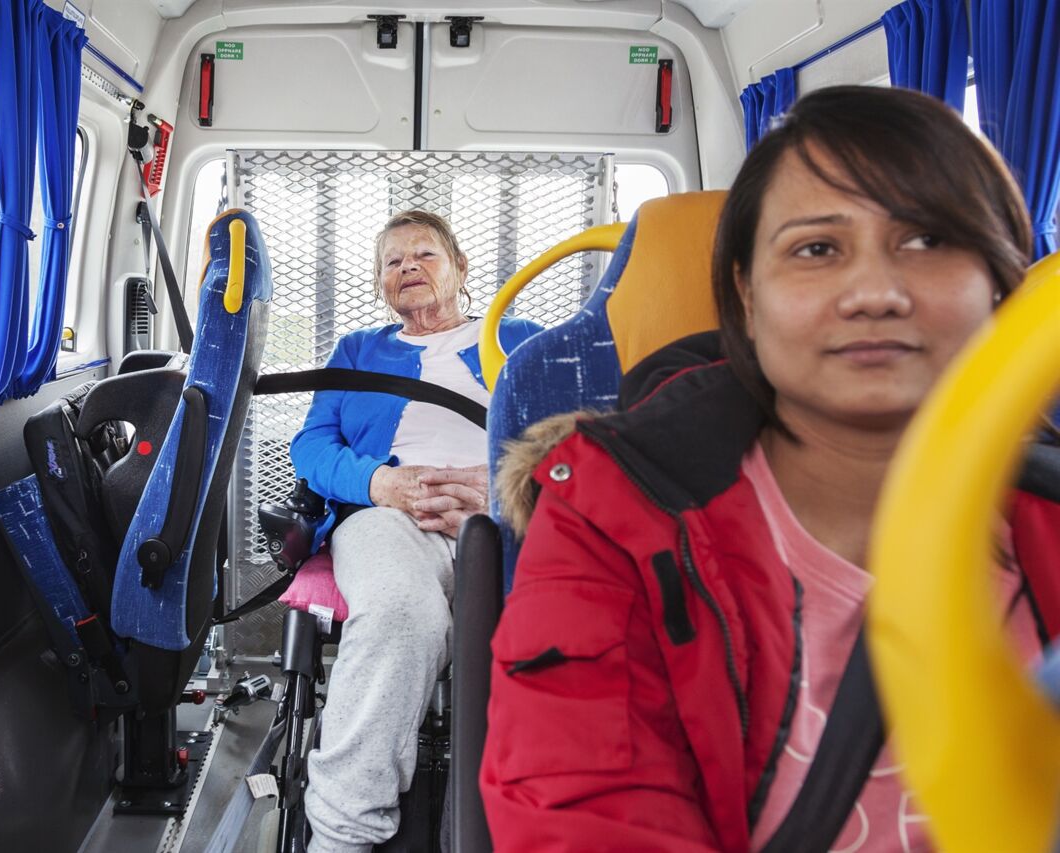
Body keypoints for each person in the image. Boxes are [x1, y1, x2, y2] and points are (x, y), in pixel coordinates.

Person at [481, 85, 1058, 852]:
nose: (875, 293)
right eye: (817, 249)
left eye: (928, 240)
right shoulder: (616, 517)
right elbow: (584, 813)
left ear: (1002, 283)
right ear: (746, 298)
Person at [290, 209, 542, 853]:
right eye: (392, 261)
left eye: (425, 254)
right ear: (380, 283)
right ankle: (343, 834)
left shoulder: (521, 338)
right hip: (390, 519)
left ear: (460, 268)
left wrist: (506, 487)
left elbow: (582, 432)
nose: (408, 267)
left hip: (512, 520)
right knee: (402, 612)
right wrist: (380, 483)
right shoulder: (356, 351)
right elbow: (312, 447)